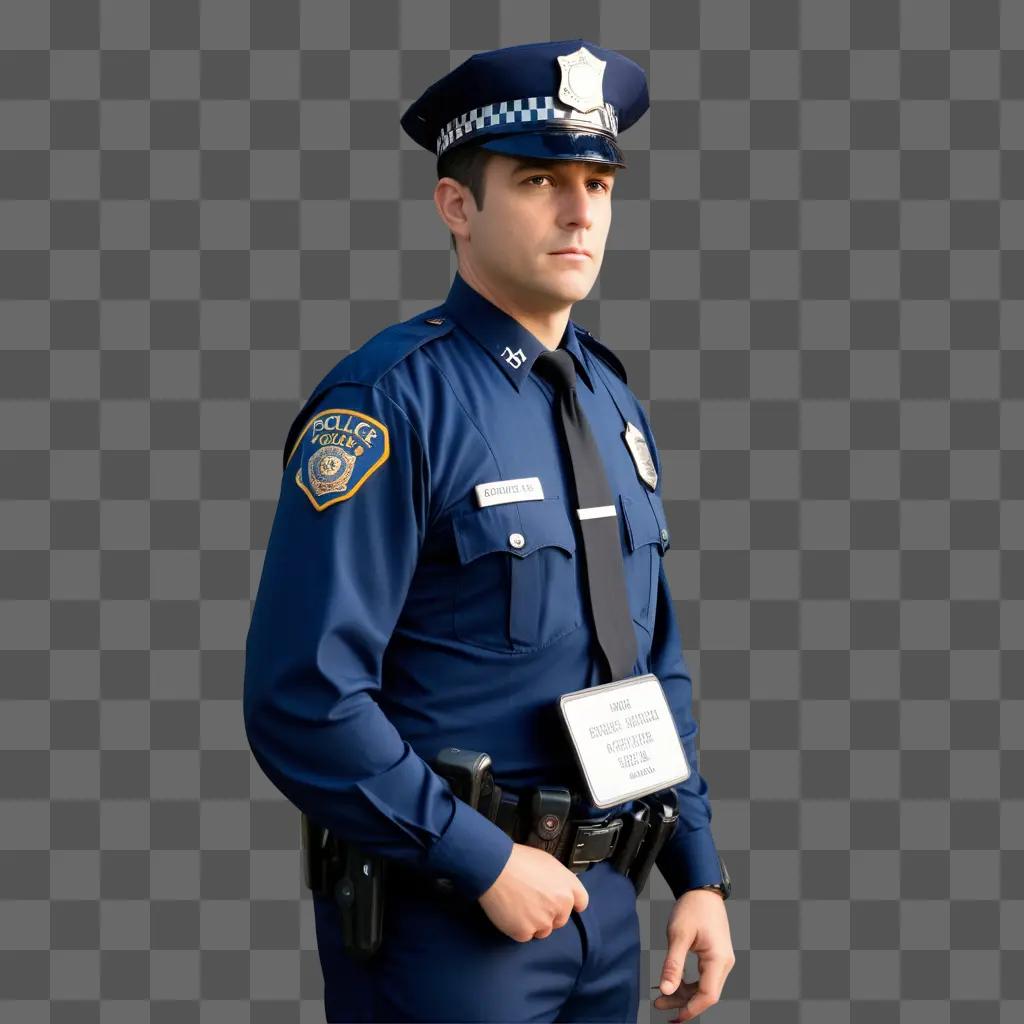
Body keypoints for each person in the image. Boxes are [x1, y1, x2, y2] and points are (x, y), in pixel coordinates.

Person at [243, 38, 735, 1023]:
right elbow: (302, 696)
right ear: (457, 206)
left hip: (603, 905)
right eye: (539, 179)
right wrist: (482, 861)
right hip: (446, 918)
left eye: (597, 182)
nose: (578, 210)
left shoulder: (609, 404)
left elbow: (647, 665)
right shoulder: (389, 403)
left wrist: (697, 874)